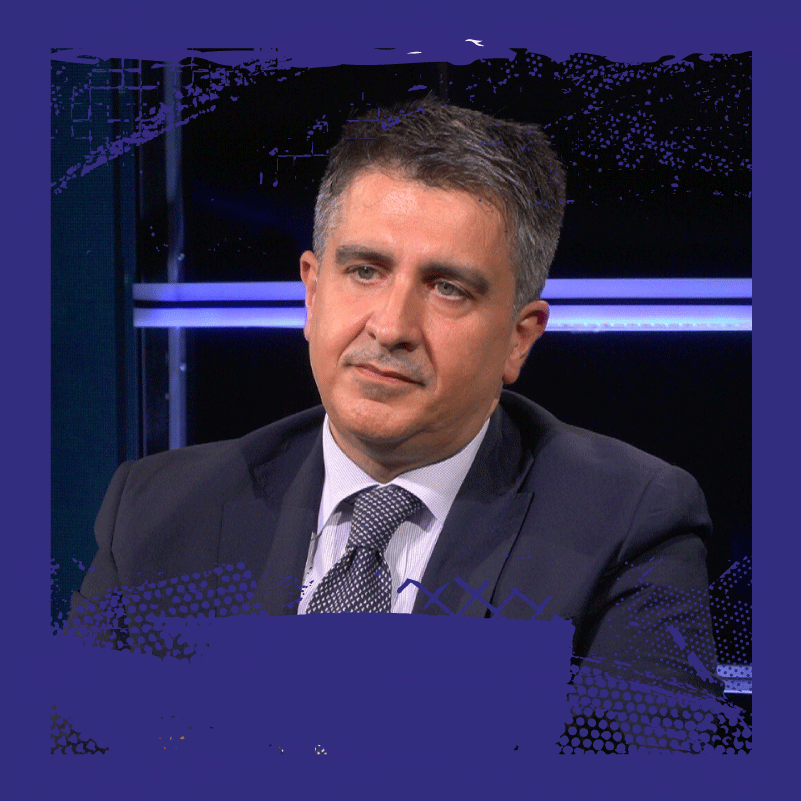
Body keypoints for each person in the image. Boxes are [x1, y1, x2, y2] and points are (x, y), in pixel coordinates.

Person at [69, 96, 721, 697]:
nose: (390, 327)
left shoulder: (625, 529)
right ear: (312, 292)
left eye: (447, 288)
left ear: (518, 338)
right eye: (364, 271)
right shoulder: (157, 514)